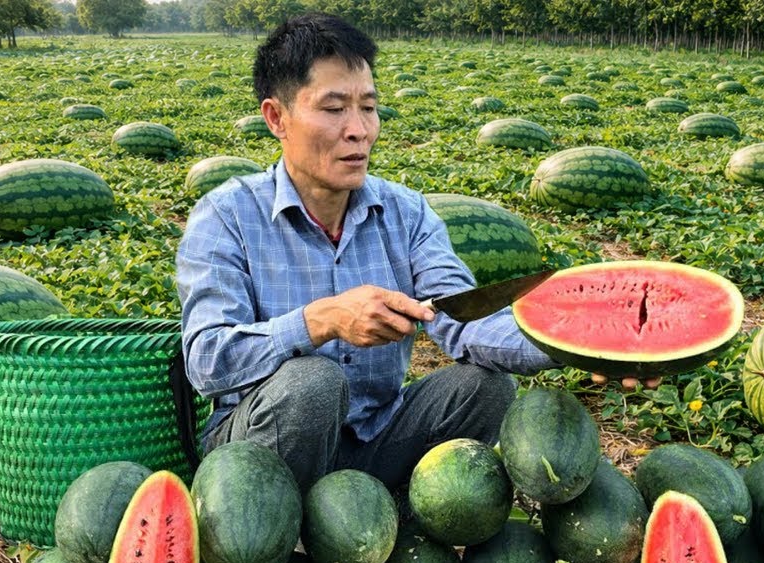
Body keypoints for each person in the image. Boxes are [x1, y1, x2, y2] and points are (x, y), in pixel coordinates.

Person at [176, 13, 647, 492]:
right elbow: (208, 361)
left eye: (369, 107)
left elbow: (465, 319)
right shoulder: (226, 216)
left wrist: (583, 343)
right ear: (276, 117)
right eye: (335, 109)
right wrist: (321, 320)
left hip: (375, 439)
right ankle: (279, 534)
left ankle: (381, 511)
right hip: (259, 448)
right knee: (312, 385)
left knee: (484, 389)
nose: (359, 130)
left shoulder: (405, 212)